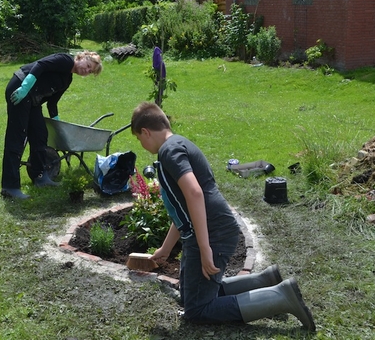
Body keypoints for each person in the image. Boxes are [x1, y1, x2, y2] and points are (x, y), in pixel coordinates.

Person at [130, 102, 315, 330]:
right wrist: (167, 248)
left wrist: (205, 248)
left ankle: (281, 297)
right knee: (190, 298)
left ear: (146, 132)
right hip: (209, 230)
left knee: (197, 310)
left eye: (140, 139)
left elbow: (195, 193)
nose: (142, 145)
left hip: (212, 232)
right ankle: (265, 280)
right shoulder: (178, 144)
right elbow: (185, 206)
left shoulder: (169, 151)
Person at [1, 51, 102, 199]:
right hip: (20, 88)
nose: (86, 71)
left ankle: (40, 177)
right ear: (81, 58)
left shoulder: (67, 79)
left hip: (32, 100)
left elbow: (52, 102)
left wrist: (58, 124)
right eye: (87, 66)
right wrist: (25, 87)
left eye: (90, 71)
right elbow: (40, 65)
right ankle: (9, 186)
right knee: (17, 136)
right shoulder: (65, 60)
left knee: (40, 134)